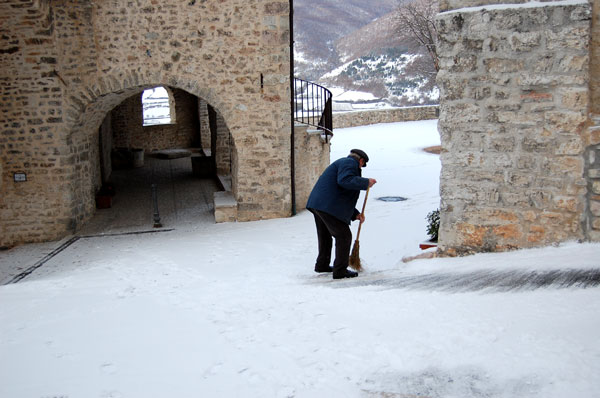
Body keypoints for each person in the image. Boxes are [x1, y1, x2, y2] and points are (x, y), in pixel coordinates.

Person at [306, 149, 377, 279]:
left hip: (319, 204)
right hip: (327, 206)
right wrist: (365, 182)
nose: (360, 167)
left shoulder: (343, 163)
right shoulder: (349, 163)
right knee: (344, 236)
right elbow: (345, 180)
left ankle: (322, 264)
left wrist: (355, 214)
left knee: (325, 236)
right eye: (362, 165)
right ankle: (340, 270)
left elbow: (341, 194)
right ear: (361, 160)